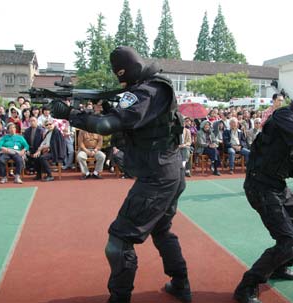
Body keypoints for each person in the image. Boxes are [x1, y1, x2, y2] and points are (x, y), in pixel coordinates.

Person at [51, 46, 191, 303]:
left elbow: (105, 126)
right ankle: (181, 283)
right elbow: (132, 122)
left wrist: (70, 114)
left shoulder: (147, 91)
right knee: (162, 231)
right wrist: (107, 107)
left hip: (157, 177)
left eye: (122, 76)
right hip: (169, 170)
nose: (121, 82)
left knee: (118, 243)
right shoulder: (154, 88)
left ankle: (120, 298)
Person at [234, 81, 293, 303]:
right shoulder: (284, 116)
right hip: (260, 186)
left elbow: (292, 166)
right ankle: (247, 285)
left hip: (278, 186)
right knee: (286, 242)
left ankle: (280, 266)